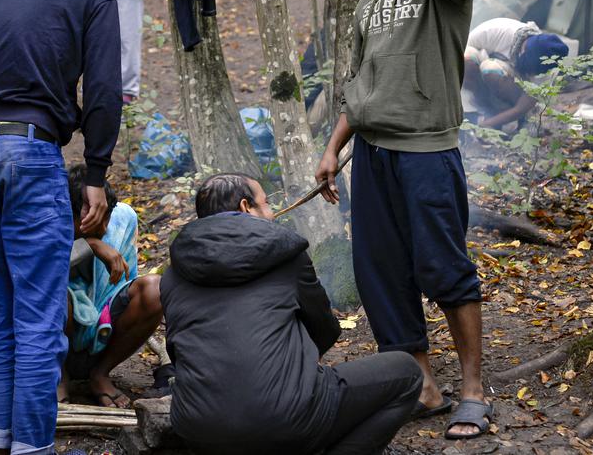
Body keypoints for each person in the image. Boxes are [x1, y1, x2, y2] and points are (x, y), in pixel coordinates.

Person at [316, 0, 492, 441]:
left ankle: (472, 391)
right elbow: (361, 83)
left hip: (425, 153)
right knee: (380, 274)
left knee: (443, 268)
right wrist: (333, 146)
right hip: (371, 157)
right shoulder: (369, 3)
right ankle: (424, 384)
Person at [0, 0, 122, 455]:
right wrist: (95, 171)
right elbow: (106, 89)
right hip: (31, 150)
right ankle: (33, 447)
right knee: (39, 314)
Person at [160, 173, 422, 455]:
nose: (272, 213)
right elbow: (323, 328)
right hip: (285, 419)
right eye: (267, 203)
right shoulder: (285, 254)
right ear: (246, 207)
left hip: (198, 426)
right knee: (406, 373)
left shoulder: (173, 274)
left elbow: (179, 351)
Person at [60, 165, 163, 408]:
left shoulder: (122, 219)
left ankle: (100, 374)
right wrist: (90, 245)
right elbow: (37, 272)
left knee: (154, 290)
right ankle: (58, 377)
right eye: (95, 219)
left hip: (103, 334)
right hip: (49, 342)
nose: (105, 228)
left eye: (106, 216)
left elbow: (124, 286)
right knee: (54, 292)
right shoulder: (43, 222)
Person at [463, 17, 569, 130]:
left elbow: (520, 108)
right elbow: (455, 56)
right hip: (482, 79)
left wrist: (485, 125)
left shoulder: (546, 71)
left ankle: (502, 117)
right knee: (466, 56)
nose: (532, 72)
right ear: (523, 51)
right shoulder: (495, 31)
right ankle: (475, 109)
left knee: (490, 69)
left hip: (513, 91)